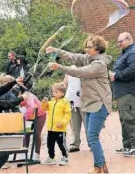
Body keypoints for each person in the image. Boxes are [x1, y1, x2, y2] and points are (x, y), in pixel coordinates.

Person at [47, 34, 113, 173]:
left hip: (99, 104)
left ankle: (98, 168)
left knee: (92, 137)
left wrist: (59, 66)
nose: (86, 49)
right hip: (89, 103)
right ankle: (103, 166)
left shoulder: (99, 65)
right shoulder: (89, 58)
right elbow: (73, 57)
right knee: (92, 137)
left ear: (97, 48)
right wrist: (56, 51)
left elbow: (80, 72)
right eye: (87, 47)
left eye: (89, 47)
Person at [109, 32, 135, 157]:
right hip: (123, 93)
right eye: (118, 41)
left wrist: (116, 75)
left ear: (128, 39)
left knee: (131, 118)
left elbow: (133, 70)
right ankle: (127, 146)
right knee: (125, 119)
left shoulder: (134, 53)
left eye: (121, 41)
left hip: (131, 92)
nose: (119, 44)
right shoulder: (126, 53)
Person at [41, 82, 71, 166]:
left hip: (60, 128)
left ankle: (65, 157)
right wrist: (44, 103)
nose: (54, 93)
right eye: (53, 92)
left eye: (56, 92)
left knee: (62, 144)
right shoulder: (51, 101)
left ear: (62, 93)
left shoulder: (65, 102)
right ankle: (51, 157)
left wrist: (62, 122)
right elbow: (44, 109)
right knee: (49, 144)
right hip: (51, 128)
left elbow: (67, 114)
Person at [17, 90, 47, 162]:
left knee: (36, 133)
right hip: (28, 116)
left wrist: (24, 119)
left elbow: (31, 107)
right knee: (26, 133)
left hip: (39, 115)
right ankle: (23, 153)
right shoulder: (14, 96)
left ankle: (36, 154)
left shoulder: (28, 95)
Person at [63, 68, 87, 153]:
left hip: (83, 100)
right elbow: (65, 84)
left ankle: (92, 143)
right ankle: (75, 144)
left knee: (87, 123)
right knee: (74, 124)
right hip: (71, 100)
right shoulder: (69, 70)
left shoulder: (85, 68)